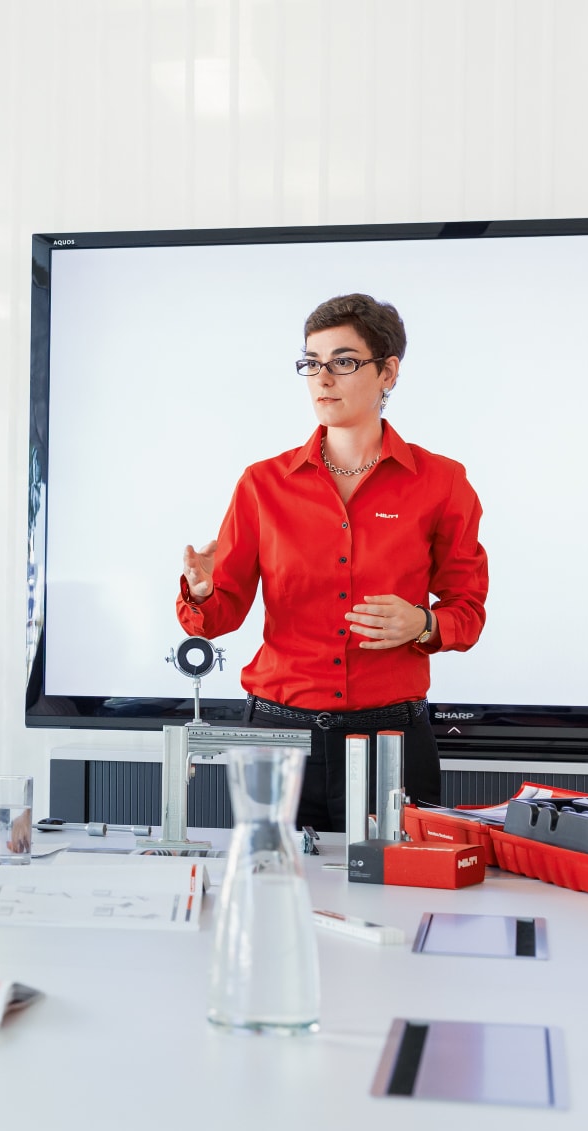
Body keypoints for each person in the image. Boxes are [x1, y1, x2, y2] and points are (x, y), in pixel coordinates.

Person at [177, 294, 488, 830]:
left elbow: (469, 610)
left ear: (388, 372)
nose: (323, 378)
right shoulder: (262, 484)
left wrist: (426, 623)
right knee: (270, 898)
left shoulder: (443, 483)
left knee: (397, 905)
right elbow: (221, 617)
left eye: (344, 362)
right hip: (276, 740)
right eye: (311, 363)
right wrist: (204, 593)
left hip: (392, 745)